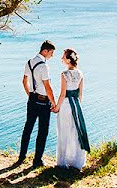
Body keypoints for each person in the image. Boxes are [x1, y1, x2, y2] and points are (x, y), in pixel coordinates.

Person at [15, 40, 56, 168]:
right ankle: (37, 160)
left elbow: (24, 81)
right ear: (45, 51)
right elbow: (47, 87)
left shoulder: (29, 62)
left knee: (27, 128)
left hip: (32, 99)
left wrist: (30, 94)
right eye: (51, 53)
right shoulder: (44, 66)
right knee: (42, 131)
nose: (51, 56)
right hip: (43, 101)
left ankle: (21, 157)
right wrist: (53, 102)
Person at [53, 48, 90, 170]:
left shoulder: (64, 74)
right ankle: (77, 161)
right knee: (75, 132)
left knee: (63, 132)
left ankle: (62, 162)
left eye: (63, 57)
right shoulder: (80, 73)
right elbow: (80, 94)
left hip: (65, 106)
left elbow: (63, 94)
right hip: (76, 105)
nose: (61, 59)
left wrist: (56, 108)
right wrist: (78, 108)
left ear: (68, 60)